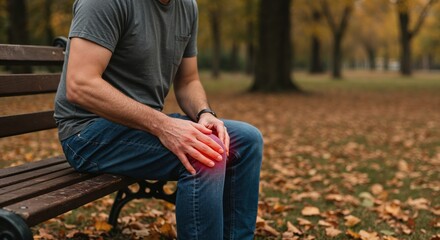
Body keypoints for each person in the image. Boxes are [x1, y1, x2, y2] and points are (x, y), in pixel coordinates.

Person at [54, 0, 263, 239]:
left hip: (142, 125)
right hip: (87, 133)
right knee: (205, 153)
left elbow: (188, 81)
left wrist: (204, 113)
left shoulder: (187, 6)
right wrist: (162, 125)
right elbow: (80, 85)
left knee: (247, 140)